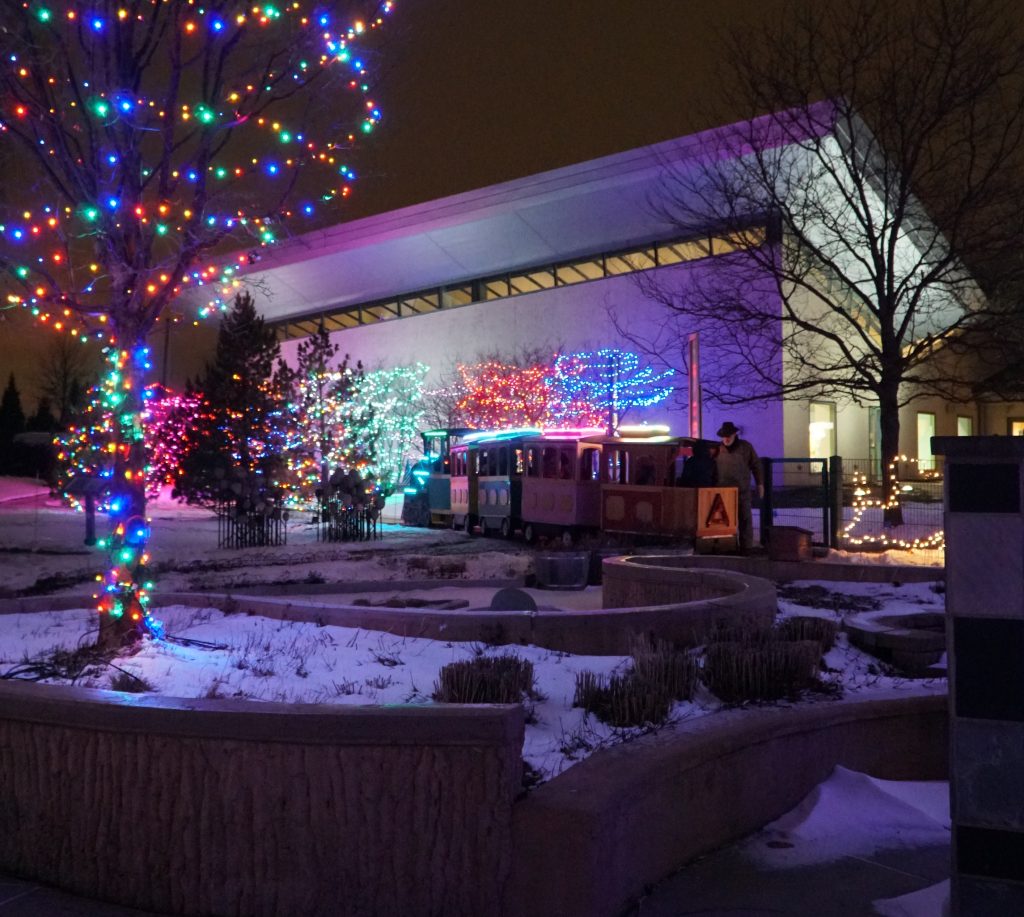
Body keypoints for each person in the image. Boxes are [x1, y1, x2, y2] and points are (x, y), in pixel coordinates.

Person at [714, 421, 764, 553]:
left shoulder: (745, 448)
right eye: (724, 436)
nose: (726, 438)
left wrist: (760, 483)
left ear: (735, 434)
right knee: (724, 522)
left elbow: (756, 465)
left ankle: (746, 547)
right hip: (723, 492)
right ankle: (727, 546)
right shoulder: (717, 450)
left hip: (742, 491)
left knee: (745, 519)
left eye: (729, 435)